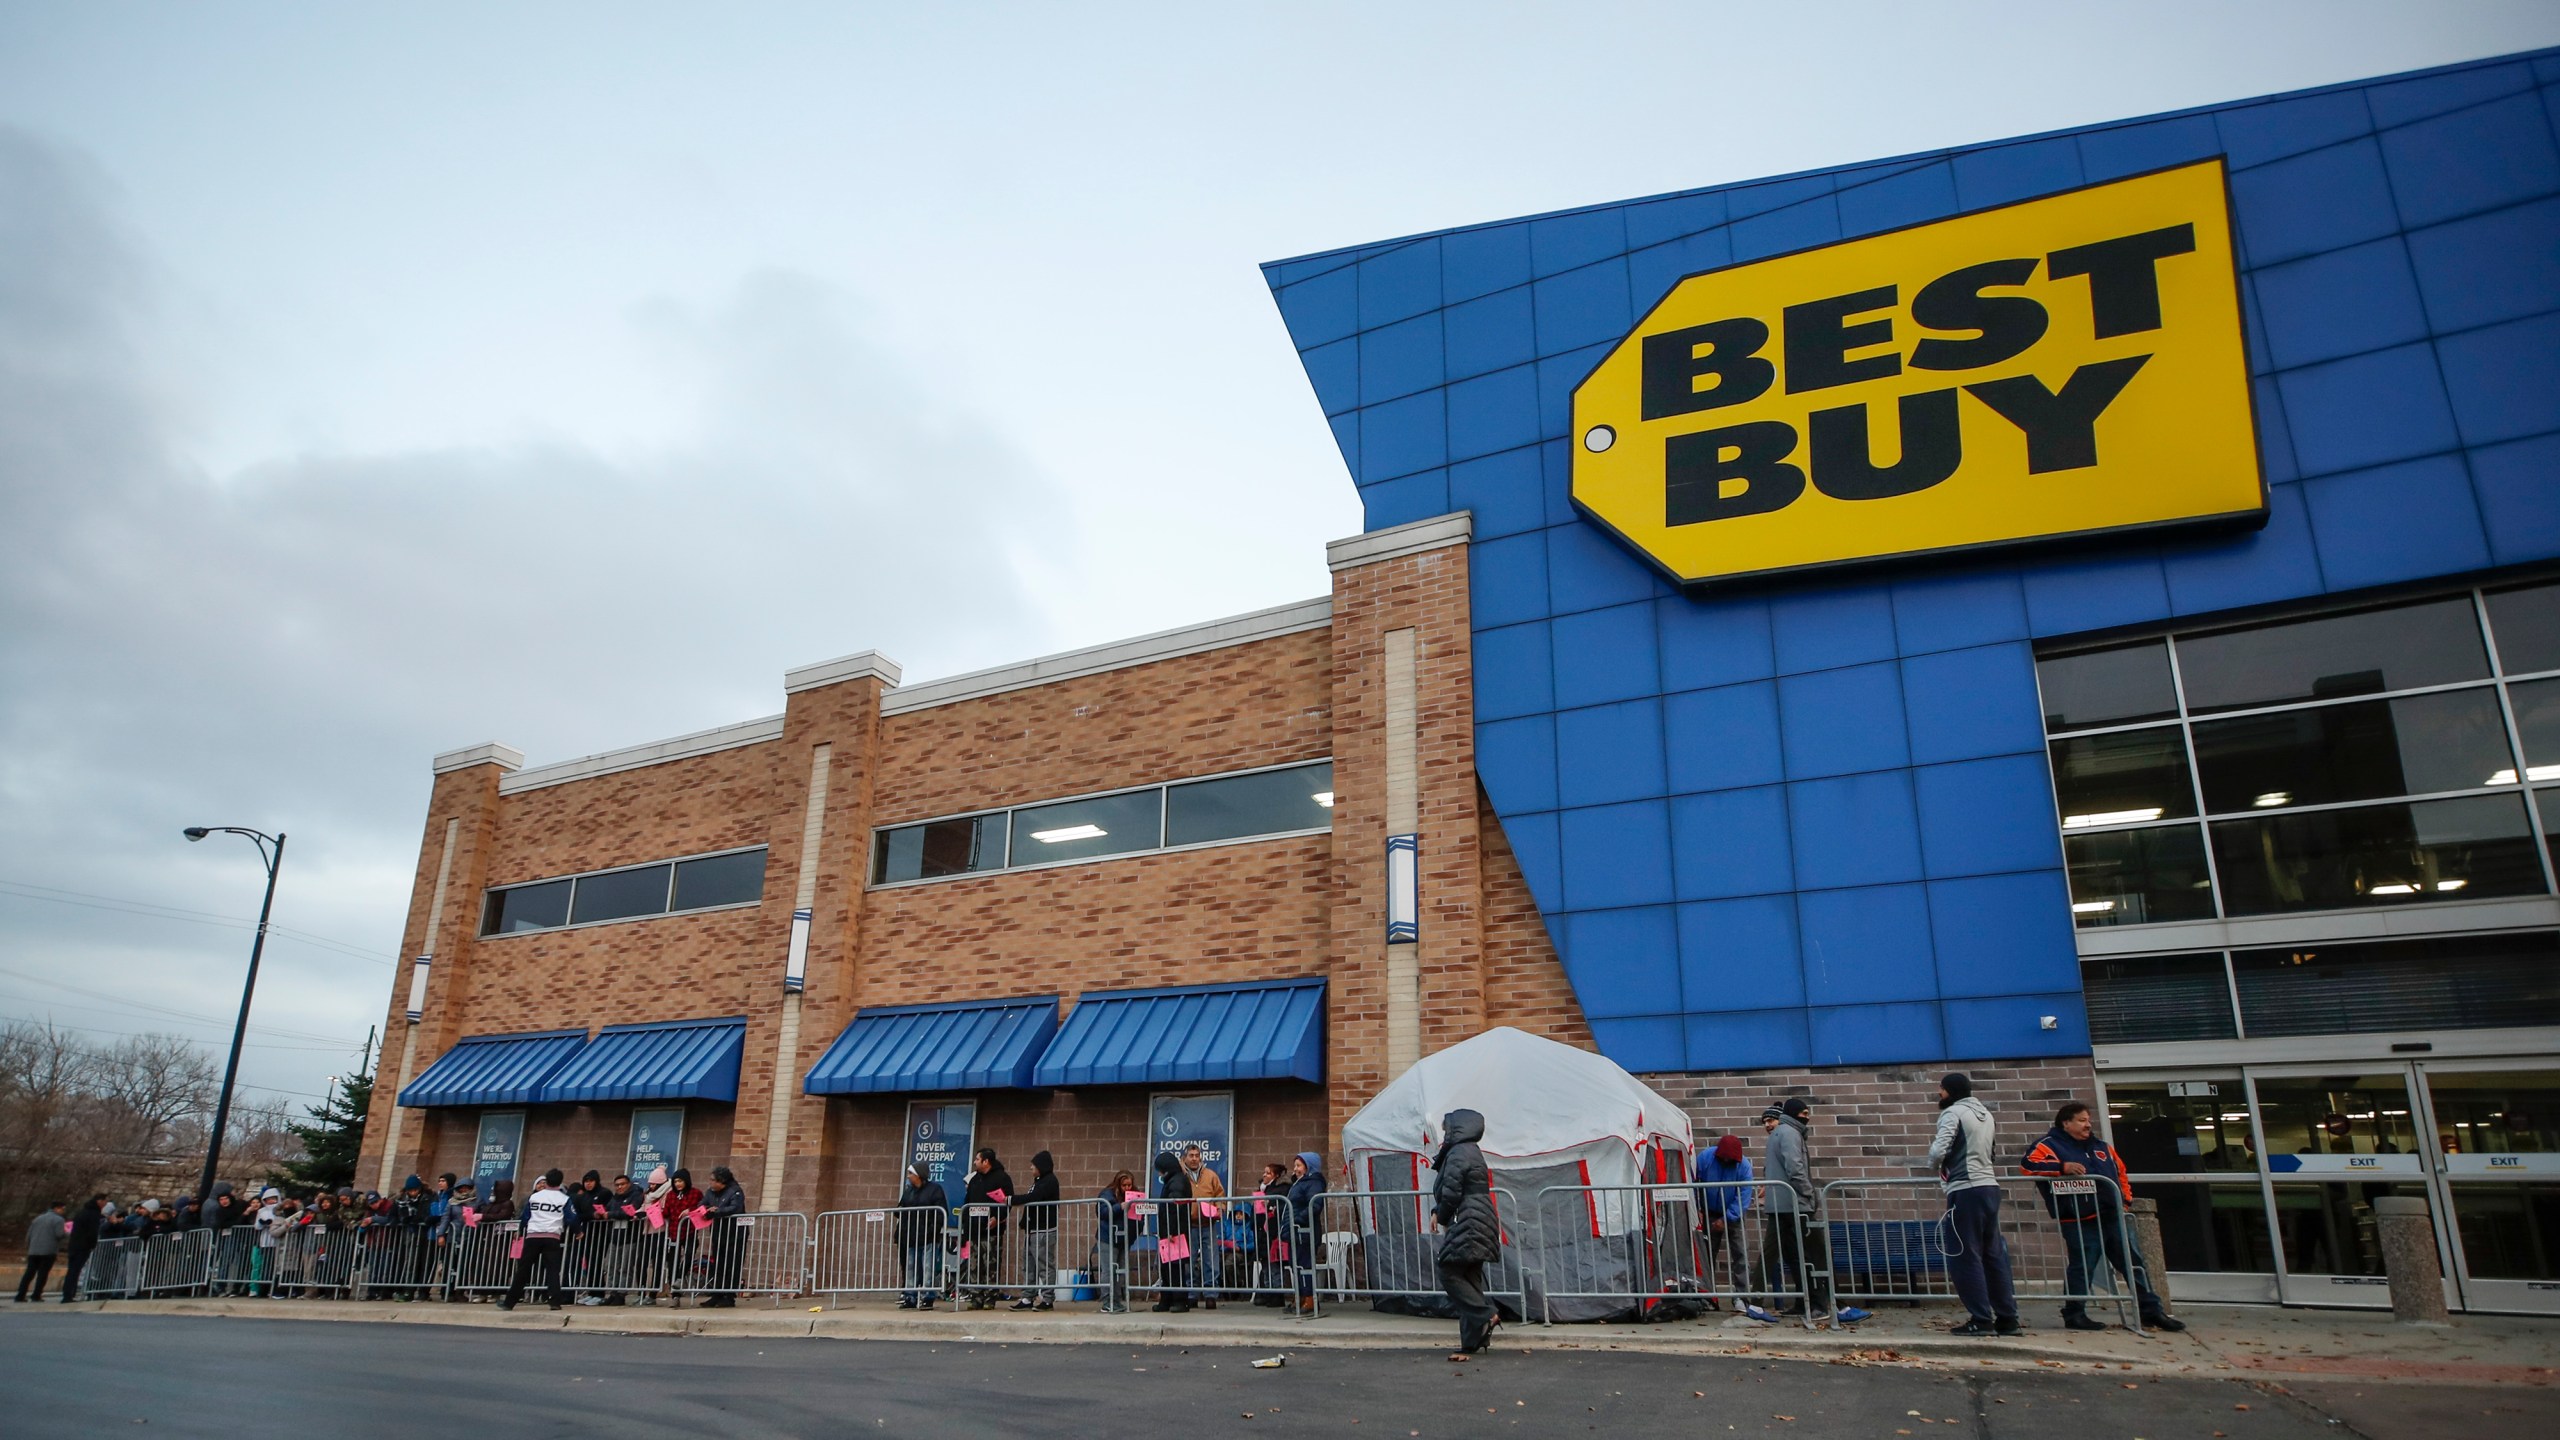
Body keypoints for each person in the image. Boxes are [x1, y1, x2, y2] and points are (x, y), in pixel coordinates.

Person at [2022, 1102, 2185, 1334]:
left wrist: (2125, 1202)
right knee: (2083, 1266)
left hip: (2111, 1215)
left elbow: (2120, 1173)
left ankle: (2151, 1311)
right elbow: (2028, 1166)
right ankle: (2075, 1313)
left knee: (2133, 1263)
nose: (2088, 1124)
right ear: (2065, 1123)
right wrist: (2062, 1167)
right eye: (2081, 1120)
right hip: (2078, 1218)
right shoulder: (2047, 1145)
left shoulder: (2101, 1147)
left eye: (2088, 1120)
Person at [1930, 1073, 2019, 1337]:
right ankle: (2007, 1318)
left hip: (1965, 1188)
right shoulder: (1986, 1115)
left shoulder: (1953, 1113)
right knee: (1993, 1255)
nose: (1939, 1093)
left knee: (1964, 1254)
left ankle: (1981, 1319)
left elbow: (1939, 1151)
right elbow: (1992, 1153)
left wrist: (1932, 1163)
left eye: (1941, 1089)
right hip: (1989, 1186)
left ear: (1950, 1091)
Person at [1758, 1099, 1856, 1324]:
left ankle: (1805, 1303)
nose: (1768, 1125)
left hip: (1784, 1205)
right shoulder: (1790, 1135)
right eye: (1804, 1112)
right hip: (1795, 1204)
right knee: (1815, 1254)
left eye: (1770, 1120)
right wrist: (1809, 1193)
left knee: (1795, 1255)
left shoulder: (1780, 1136)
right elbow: (1795, 1168)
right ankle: (1834, 1306)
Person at [1431, 1109, 1501, 1357]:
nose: (1444, 1134)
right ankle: (1472, 1341)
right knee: (1470, 1277)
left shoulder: (1458, 1152)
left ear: (1455, 1129)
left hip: (1467, 1220)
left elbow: (1451, 1191)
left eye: (1445, 1129)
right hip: (1479, 1218)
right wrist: (1437, 1210)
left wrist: (1440, 1214)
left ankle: (1487, 1314)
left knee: (1448, 1270)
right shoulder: (1471, 1151)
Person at [500, 1168, 578, 1311]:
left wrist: (520, 1230)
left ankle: (509, 1302)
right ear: (560, 1182)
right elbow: (571, 1218)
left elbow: (525, 1216)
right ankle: (555, 1302)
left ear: (547, 1181)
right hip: (552, 1236)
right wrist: (578, 1231)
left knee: (523, 1269)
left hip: (533, 1236)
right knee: (553, 1270)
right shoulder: (564, 1199)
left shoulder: (535, 1197)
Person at [1694, 1133, 1754, 1302]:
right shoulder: (1705, 1158)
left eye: (1730, 1160)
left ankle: (1742, 1297)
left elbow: (1743, 1196)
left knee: (1741, 1255)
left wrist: (1727, 1219)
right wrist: (1697, 1207)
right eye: (1723, 1159)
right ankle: (1706, 1295)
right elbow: (1694, 1182)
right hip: (1709, 1212)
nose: (1727, 1162)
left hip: (1734, 1215)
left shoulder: (1744, 1166)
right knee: (1706, 1256)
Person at [957, 1148, 1014, 1310]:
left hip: (992, 1231)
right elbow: (967, 1203)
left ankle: (990, 1297)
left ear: (986, 1161)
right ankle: (976, 1297)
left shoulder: (1002, 1178)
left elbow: (1006, 1202)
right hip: (974, 1231)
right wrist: (966, 1228)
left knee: (991, 1264)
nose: (975, 1162)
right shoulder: (975, 1180)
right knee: (974, 1265)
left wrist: (998, 1217)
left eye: (977, 1159)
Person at [1009, 1150, 1061, 1311]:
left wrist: (1011, 1199)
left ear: (1041, 1166)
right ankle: (1027, 1297)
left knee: (1045, 1265)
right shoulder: (1038, 1181)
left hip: (1044, 1231)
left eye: (1034, 1164)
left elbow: (1033, 1198)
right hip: (1032, 1230)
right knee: (1028, 1265)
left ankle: (1047, 1298)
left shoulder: (1049, 1181)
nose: (1031, 1167)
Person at [1180, 1143, 1227, 1309]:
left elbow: (1220, 1194)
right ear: (1184, 1158)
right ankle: (1191, 1294)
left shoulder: (1211, 1175)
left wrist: (1220, 1208)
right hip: (1188, 1224)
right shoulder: (1180, 1176)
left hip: (1208, 1223)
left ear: (1201, 1157)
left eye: (1196, 1155)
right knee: (1189, 1260)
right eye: (1191, 1155)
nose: (1194, 1158)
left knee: (1210, 1259)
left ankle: (1210, 1294)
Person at [896, 1163, 948, 1310]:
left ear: (918, 1175)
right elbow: (900, 1207)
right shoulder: (909, 1191)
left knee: (927, 1267)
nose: (908, 1176)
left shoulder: (934, 1190)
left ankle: (927, 1296)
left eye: (910, 1173)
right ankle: (910, 1296)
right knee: (910, 1267)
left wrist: (932, 1230)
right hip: (911, 1235)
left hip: (927, 1236)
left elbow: (940, 1212)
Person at [697, 1166, 749, 1306]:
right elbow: (702, 1204)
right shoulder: (711, 1192)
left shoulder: (735, 1191)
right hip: (718, 1232)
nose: (710, 1183)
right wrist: (707, 1210)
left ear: (722, 1181)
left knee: (732, 1264)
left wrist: (718, 1211)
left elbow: (735, 1208)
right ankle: (716, 1294)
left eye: (713, 1180)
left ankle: (729, 1296)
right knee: (718, 1264)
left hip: (735, 1233)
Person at [1094, 1168, 1139, 1314]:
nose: (1127, 1188)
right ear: (1118, 1184)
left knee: (1120, 1271)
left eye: (1129, 1185)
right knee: (1109, 1270)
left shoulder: (1135, 1194)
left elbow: (1138, 1218)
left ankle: (1117, 1300)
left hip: (1125, 1238)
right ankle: (1107, 1301)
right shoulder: (1107, 1194)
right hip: (1108, 1237)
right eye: (1124, 1185)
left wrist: (1134, 1234)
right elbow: (1103, 1212)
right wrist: (1120, 1207)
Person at [1285, 1152, 1325, 1315]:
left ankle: (1309, 1298)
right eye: (1295, 1166)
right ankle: (1300, 1296)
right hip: (1296, 1231)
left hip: (1305, 1231)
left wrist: (1297, 1220)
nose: (1295, 1169)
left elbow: (1314, 1205)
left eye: (1299, 1165)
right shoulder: (1300, 1183)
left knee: (1304, 1265)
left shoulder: (1313, 1182)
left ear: (1309, 1167)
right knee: (1297, 1266)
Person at [1253, 1162, 1292, 1305]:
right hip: (1263, 1232)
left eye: (1268, 1173)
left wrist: (1268, 1204)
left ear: (1275, 1175)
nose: (1264, 1175)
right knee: (1266, 1265)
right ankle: (1267, 1292)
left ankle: (1277, 1294)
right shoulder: (1264, 1189)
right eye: (1264, 1172)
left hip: (1274, 1232)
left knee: (1275, 1265)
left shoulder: (1282, 1189)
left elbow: (1279, 1208)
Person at [59, 1195, 105, 1302]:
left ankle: (68, 1293)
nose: (105, 1204)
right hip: (83, 1246)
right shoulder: (93, 1214)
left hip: (74, 1245)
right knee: (75, 1270)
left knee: (72, 1270)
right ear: (99, 1201)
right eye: (104, 1201)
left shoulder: (82, 1212)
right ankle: (68, 1294)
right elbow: (92, 1232)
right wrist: (92, 1244)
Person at [17, 1202, 66, 1302]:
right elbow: (59, 1234)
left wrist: (30, 1246)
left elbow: (29, 1234)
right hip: (48, 1250)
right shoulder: (59, 1220)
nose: (63, 1211)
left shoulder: (38, 1218)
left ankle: (20, 1295)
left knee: (29, 1273)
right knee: (42, 1274)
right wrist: (67, 1233)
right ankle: (36, 1295)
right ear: (57, 1208)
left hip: (34, 1250)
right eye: (62, 1209)